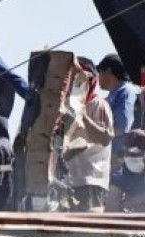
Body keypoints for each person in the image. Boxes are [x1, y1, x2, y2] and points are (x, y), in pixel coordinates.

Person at [63, 57, 115, 212]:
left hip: (91, 179)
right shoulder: (66, 107)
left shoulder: (98, 105)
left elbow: (105, 138)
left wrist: (83, 115)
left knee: (86, 225)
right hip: (69, 180)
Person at [97, 54, 140, 163]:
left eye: (100, 72)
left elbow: (122, 126)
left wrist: (95, 139)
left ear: (108, 71)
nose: (98, 77)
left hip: (117, 158)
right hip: (106, 156)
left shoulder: (126, 91)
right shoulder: (111, 95)